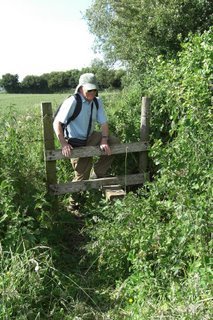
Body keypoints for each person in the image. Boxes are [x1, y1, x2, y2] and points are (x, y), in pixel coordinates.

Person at [53, 73, 119, 181]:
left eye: (94, 90)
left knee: (114, 142)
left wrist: (104, 140)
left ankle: (98, 173)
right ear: (81, 88)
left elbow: (104, 123)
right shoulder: (72, 102)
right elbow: (57, 123)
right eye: (89, 90)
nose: (92, 93)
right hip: (76, 142)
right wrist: (64, 143)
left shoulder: (97, 101)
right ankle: (74, 197)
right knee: (81, 179)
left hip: (91, 137)